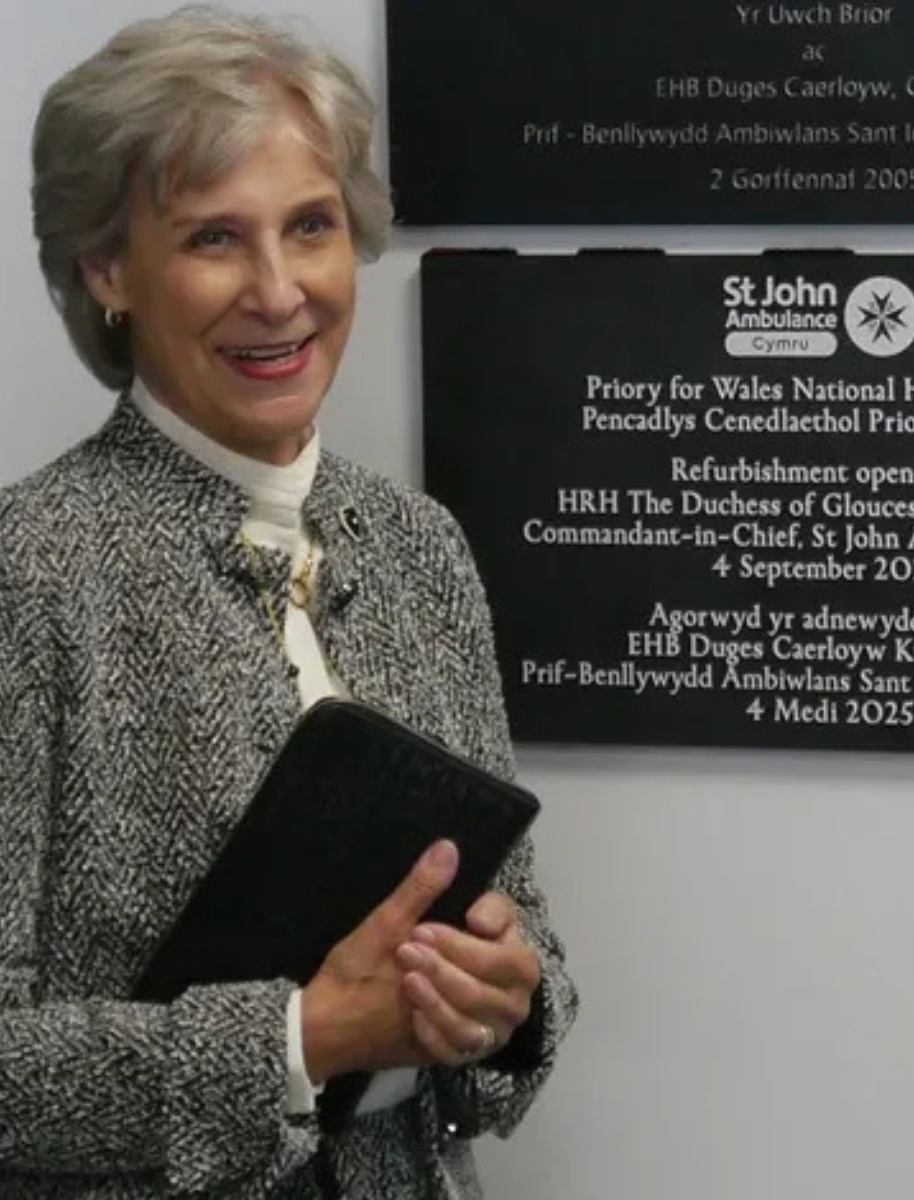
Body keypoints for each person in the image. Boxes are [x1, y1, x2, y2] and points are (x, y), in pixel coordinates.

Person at [0, 6, 577, 1197]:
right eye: (214, 238)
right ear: (108, 269)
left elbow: (518, 932)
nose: (280, 293)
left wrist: (507, 1004)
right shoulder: (30, 574)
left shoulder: (422, 548)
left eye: (310, 227)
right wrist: (298, 1042)